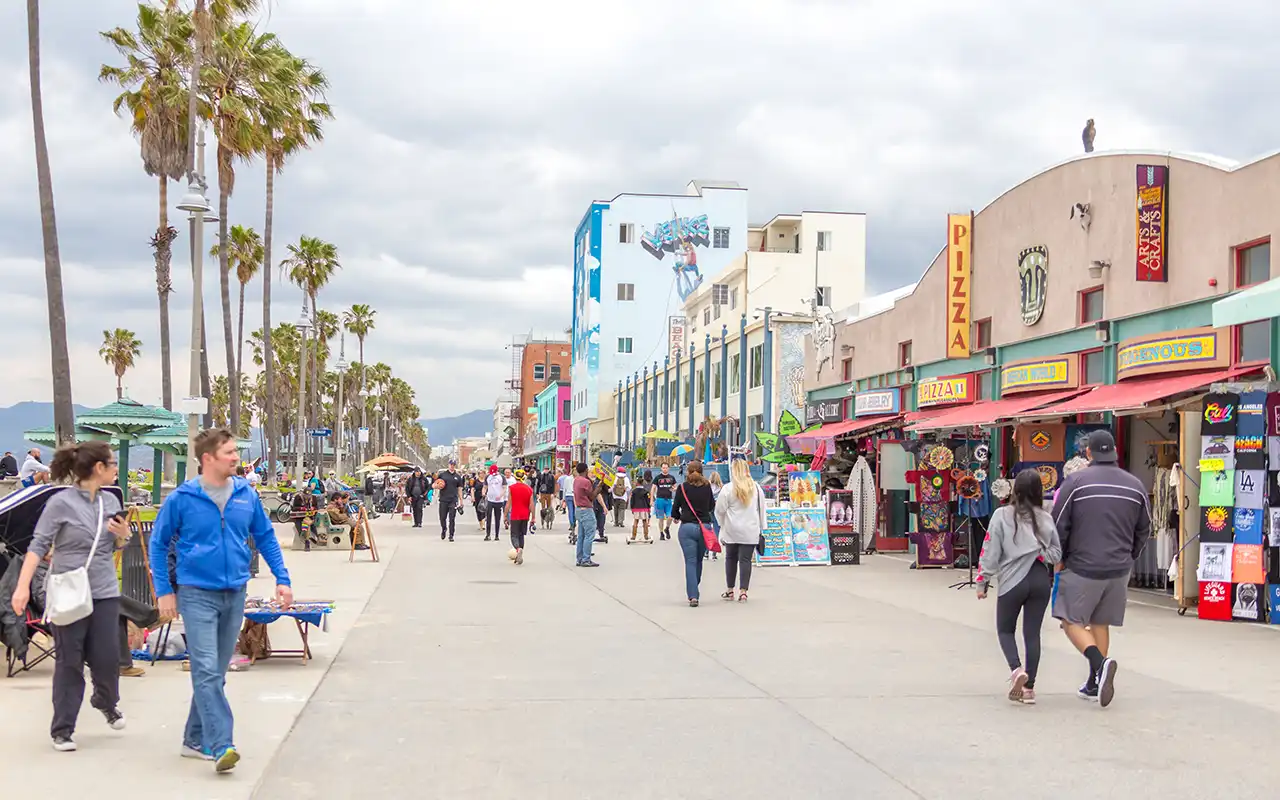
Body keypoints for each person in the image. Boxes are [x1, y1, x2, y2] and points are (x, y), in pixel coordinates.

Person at [150, 428, 292, 772]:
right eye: (228, 452)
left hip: (236, 591)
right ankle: (221, 744)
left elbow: (265, 536)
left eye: (235, 452)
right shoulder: (182, 499)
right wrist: (164, 591)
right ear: (207, 459)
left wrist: (282, 579)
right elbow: (158, 544)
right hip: (196, 593)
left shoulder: (246, 494)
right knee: (206, 671)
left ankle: (193, 739)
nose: (235, 458)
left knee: (215, 672)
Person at [10, 442, 131, 752]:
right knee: (69, 661)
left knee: (106, 659)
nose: (117, 469)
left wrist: (123, 538)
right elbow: (37, 547)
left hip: (103, 591)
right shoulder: (60, 503)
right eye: (112, 463)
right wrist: (22, 587)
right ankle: (62, 729)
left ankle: (105, 701)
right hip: (67, 592)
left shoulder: (110, 500)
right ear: (98, 469)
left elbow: (114, 547)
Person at [1050, 429, 1150, 709]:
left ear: (1089, 453)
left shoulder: (1075, 482)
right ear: (1115, 451)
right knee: (1100, 621)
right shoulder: (1135, 485)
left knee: (1070, 620)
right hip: (1119, 569)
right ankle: (1095, 682)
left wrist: (1059, 558)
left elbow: (1059, 524)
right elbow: (1145, 528)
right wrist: (1129, 556)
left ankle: (1100, 663)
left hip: (1082, 565)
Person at [976, 469, 1062, 705]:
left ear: (1015, 490)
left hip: (1012, 581)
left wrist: (983, 580)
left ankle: (1016, 670)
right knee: (1032, 634)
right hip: (1039, 580)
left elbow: (990, 550)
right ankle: (1030, 688)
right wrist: (1039, 553)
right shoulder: (1047, 518)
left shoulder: (1001, 515)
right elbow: (1057, 554)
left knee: (1005, 630)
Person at [715, 459, 764, 602]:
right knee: (745, 560)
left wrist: (721, 525)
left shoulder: (728, 489)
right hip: (750, 529)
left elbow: (720, 510)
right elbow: (762, 509)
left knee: (730, 558)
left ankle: (730, 590)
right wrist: (762, 527)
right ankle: (743, 591)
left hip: (732, 529)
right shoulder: (755, 488)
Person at [672, 461, 714, 606]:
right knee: (699, 560)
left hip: (687, 527)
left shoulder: (682, 488)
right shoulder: (707, 486)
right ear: (702, 471)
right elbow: (711, 506)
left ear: (687, 472)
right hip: (704, 528)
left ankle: (693, 595)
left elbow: (675, 509)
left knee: (690, 561)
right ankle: (695, 585)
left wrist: (677, 517)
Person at [572, 462, 600, 567]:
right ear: (586, 470)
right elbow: (592, 497)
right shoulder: (586, 482)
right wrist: (598, 487)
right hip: (586, 510)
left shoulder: (576, 480)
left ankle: (580, 558)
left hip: (578, 509)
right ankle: (586, 559)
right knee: (589, 535)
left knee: (581, 535)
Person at [508, 472, 535, 565]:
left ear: (515, 478)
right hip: (525, 515)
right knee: (521, 535)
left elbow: (509, 503)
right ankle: (520, 553)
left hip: (515, 514)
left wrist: (504, 515)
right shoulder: (529, 489)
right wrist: (533, 517)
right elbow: (532, 504)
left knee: (514, 535)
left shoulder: (512, 488)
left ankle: (517, 549)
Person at [435, 459, 466, 541]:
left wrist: (461, 500)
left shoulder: (458, 477)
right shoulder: (443, 475)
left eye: (453, 464)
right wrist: (437, 486)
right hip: (443, 499)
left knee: (452, 518)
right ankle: (444, 529)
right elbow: (435, 484)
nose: (452, 466)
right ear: (448, 465)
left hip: (453, 500)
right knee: (442, 517)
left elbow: (459, 489)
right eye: (451, 464)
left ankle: (451, 535)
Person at [652, 463, 677, 540]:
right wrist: (651, 500)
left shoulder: (672, 478)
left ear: (668, 468)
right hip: (660, 499)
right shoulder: (657, 478)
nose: (665, 469)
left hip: (668, 500)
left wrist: (674, 489)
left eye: (666, 468)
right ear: (661, 469)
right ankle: (661, 533)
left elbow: (675, 486)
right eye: (663, 468)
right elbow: (653, 488)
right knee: (661, 518)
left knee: (670, 517)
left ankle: (667, 528)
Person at [629, 472, 653, 542]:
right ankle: (646, 536)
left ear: (637, 483)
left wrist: (632, 508)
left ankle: (633, 536)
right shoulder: (646, 491)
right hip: (644, 508)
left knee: (635, 521)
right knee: (645, 521)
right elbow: (648, 500)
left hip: (636, 508)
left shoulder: (634, 491)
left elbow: (632, 500)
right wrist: (649, 508)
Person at [706, 470, 723, 561]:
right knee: (716, 530)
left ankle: (706, 552)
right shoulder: (721, 488)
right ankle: (714, 554)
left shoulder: (707, 487)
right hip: (717, 509)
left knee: (707, 530)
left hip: (708, 509)